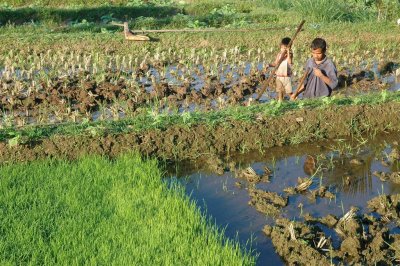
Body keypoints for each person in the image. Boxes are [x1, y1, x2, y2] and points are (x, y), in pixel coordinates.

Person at [267, 37, 293, 102]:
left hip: (286, 76)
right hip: (279, 76)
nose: (283, 50)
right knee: (279, 90)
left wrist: (287, 53)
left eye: (285, 48)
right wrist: (269, 65)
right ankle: (280, 101)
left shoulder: (290, 55)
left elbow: (290, 62)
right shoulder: (279, 55)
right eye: (282, 48)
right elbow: (276, 63)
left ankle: (294, 99)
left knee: (289, 91)